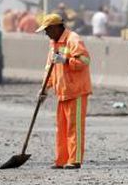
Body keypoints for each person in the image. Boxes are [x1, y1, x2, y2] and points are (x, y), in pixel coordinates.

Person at [36, 13, 92, 169]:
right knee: (62, 129)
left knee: (75, 127)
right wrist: (44, 88)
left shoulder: (73, 39)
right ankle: (62, 160)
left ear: (55, 28)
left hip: (76, 91)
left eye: (47, 30)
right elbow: (50, 69)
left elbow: (85, 60)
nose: (46, 33)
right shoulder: (53, 43)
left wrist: (66, 60)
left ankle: (75, 160)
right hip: (62, 92)